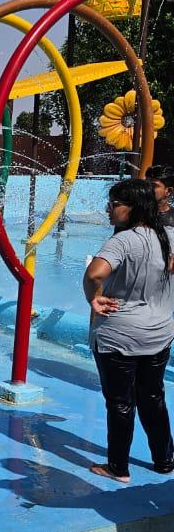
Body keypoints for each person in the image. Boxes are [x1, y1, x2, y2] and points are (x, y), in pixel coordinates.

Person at [83, 177, 174, 482]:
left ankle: (118, 468)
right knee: (153, 397)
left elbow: (94, 274)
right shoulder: (169, 236)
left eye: (115, 204)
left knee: (120, 403)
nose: (108, 209)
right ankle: (165, 460)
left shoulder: (123, 241)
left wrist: (93, 298)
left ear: (134, 207)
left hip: (119, 336)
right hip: (159, 333)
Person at [146, 163, 174, 227]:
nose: (146, 188)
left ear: (168, 191)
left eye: (153, 186)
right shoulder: (134, 213)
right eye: (145, 184)